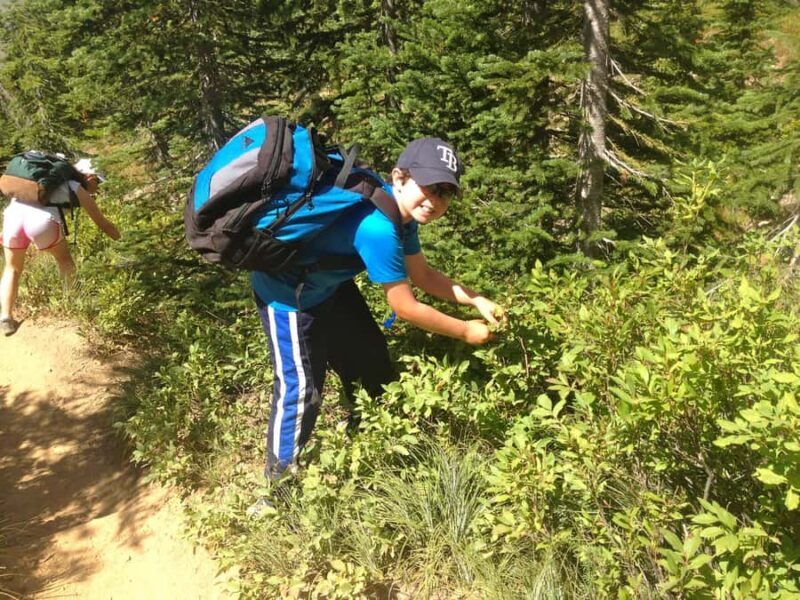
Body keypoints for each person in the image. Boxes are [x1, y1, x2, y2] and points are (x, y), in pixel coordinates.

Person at [249, 137, 503, 498]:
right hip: (289, 295)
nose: (435, 201)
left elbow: (424, 276)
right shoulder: (379, 228)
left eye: (445, 193)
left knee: (370, 360)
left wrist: (476, 301)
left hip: (327, 286)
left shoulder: (400, 215)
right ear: (399, 178)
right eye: (429, 187)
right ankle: (279, 492)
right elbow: (405, 307)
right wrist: (465, 331)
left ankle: (367, 436)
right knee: (300, 390)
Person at [0, 158, 121, 336]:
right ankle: (76, 302)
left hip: (12, 218)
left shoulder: (35, 181)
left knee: (12, 268)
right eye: (98, 181)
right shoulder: (75, 187)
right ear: (89, 176)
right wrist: (123, 242)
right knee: (65, 262)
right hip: (41, 222)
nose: (98, 187)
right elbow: (103, 223)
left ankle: (6, 318)